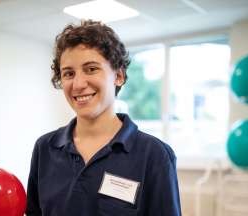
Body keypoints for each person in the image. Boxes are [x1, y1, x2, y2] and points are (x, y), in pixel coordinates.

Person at [26, 20, 181, 216]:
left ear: (119, 76)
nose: (78, 84)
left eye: (91, 69)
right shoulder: (45, 148)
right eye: (69, 73)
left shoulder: (155, 155)